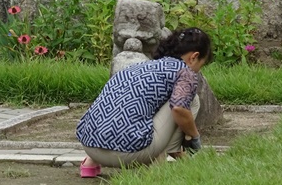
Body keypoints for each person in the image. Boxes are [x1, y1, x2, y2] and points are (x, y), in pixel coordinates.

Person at [76, 27, 212, 177]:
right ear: (194, 57)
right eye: (201, 65)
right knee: (190, 100)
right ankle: (162, 163)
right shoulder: (185, 72)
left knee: (124, 106)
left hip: (89, 145)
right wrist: (195, 138)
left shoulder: (140, 67)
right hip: (128, 155)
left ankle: (90, 163)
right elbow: (179, 109)